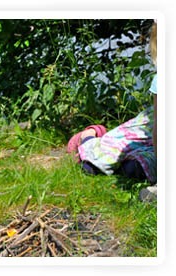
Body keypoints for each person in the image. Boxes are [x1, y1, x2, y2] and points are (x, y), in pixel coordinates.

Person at [66, 21, 157, 202]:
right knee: (95, 164)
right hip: (151, 129)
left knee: (136, 167)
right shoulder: (163, 80)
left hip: (150, 144)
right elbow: (158, 132)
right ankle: (89, 136)